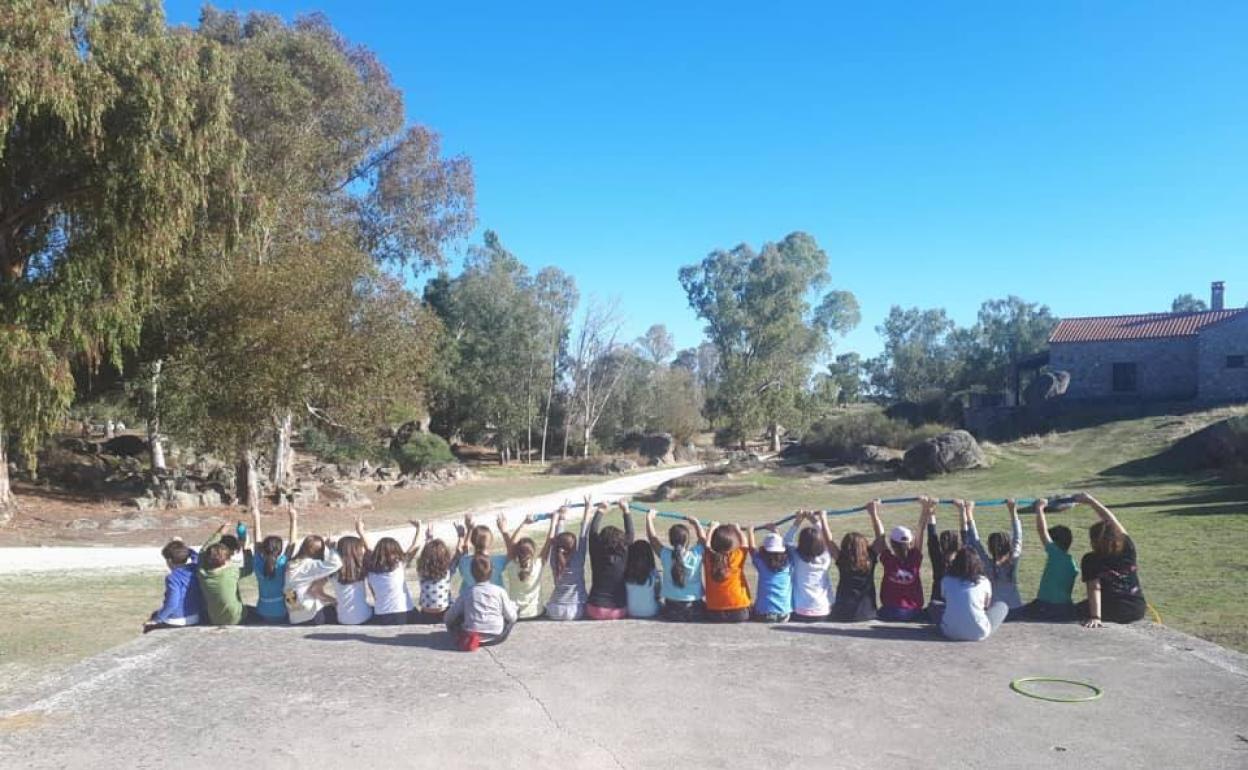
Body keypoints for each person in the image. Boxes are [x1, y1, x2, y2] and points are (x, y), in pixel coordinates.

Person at [1074, 493, 1147, 627]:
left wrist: (1095, 617)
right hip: (1137, 609)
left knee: (1070, 610)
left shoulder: (1090, 559)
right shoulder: (1128, 549)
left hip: (1112, 609)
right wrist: (1092, 501)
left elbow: (1094, 588)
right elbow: (1112, 520)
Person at [870, 497, 931, 622]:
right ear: (911, 543)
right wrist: (925, 508)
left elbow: (880, 537)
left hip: (890, 611)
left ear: (892, 544)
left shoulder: (888, 560)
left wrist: (873, 513)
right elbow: (920, 531)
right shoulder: (915, 559)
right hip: (914, 612)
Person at [1019, 498, 1078, 622]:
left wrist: (1039, 508)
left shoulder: (1055, 554)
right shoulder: (1072, 562)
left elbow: (1042, 531)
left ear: (1055, 543)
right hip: (1066, 608)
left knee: (1012, 614)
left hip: (1046, 607)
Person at [962, 499, 1024, 614]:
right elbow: (1018, 537)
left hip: (995, 611)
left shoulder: (987, 564)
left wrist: (969, 512)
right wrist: (1013, 511)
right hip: (1017, 609)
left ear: (990, 548)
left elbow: (975, 542)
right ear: (1008, 546)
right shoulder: (1013, 560)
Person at [283, 509, 343, 626]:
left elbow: (291, 543)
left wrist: (293, 519)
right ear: (316, 552)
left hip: (294, 616)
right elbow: (336, 564)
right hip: (311, 616)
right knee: (340, 611)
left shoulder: (291, 563)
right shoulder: (309, 566)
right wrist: (331, 548)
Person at [445, 555, 518, 652]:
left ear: (471, 573)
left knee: (459, 615)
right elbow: (512, 617)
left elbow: (449, 617)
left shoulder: (467, 592)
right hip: (496, 636)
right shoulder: (500, 591)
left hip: (471, 634)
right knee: (512, 610)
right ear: (492, 572)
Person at [644, 508, 706, 622]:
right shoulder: (696, 555)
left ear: (671, 540)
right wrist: (696, 523)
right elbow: (703, 539)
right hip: (695, 609)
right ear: (687, 540)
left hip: (671, 610)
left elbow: (652, 538)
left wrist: (649, 518)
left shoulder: (665, 555)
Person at [357, 517, 420, 625]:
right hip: (404, 612)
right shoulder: (399, 565)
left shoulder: (370, 570)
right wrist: (419, 528)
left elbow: (369, 550)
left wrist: (360, 532)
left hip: (381, 615)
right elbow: (415, 546)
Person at [938, 546, 1009, 641]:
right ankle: (974, 621)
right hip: (979, 632)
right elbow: (986, 605)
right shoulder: (983, 581)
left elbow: (945, 599)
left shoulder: (947, 580)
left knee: (934, 605)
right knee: (1002, 606)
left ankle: (954, 622)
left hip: (949, 632)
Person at [197, 520, 254, 626]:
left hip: (214, 618)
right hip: (237, 618)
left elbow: (203, 551)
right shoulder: (231, 572)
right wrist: (246, 547)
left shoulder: (201, 572)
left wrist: (221, 531)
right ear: (226, 561)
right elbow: (249, 568)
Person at [545, 498, 593, 621]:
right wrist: (588, 509)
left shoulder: (554, 558)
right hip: (576, 610)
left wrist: (561, 517)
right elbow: (584, 535)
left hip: (555, 610)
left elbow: (557, 539)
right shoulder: (579, 558)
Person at [585, 500, 634, 620]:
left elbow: (592, 532)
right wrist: (626, 511)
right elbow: (630, 534)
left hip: (594, 609)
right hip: (618, 611)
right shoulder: (624, 552)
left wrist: (600, 510)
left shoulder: (596, 551)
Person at [500, 513, 554, 620]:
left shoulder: (511, 566)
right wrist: (554, 520)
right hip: (536, 613)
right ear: (533, 552)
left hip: (516, 614)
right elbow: (550, 540)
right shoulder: (538, 565)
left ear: (516, 552)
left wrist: (524, 524)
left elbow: (512, 545)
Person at [247, 505, 295, 625]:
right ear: (279, 551)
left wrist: (256, 519)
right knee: (291, 590)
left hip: (262, 611)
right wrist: (293, 519)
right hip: (283, 611)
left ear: (263, 550)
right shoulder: (282, 563)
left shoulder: (257, 563)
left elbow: (257, 542)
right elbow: (292, 543)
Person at [829, 510, 878, 623]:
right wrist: (873, 513)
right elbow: (881, 538)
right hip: (867, 613)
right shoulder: (870, 558)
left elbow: (829, 541)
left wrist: (822, 520)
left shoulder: (842, 559)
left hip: (842, 613)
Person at [144, 538, 202, 633]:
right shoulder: (195, 568)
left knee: (151, 622)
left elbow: (172, 602)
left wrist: (157, 620)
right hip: (195, 616)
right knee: (155, 614)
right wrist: (185, 548)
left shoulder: (173, 577)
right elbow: (196, 556)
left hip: (177, 620)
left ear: (169, 561)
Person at [413, 524, 466, 624]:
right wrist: (461, 536)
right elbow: (459, 552)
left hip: (425, 614)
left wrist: (429, 537)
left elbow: (427, 554)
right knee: (453, 601)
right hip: (444, 613)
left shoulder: (422, 571)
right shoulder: (447, 571)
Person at [786, 510, 833, 622]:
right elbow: (828, 540)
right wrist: (817, 520)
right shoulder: (826, 557)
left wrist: (798, 521)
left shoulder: (795, 556)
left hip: (800, 612)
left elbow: (786, 541)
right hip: (823, 611)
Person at [701, 521, 751, 623]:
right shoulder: (737, 557)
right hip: (739, 612)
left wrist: (712, 528)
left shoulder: (708, 558)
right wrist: (737, 529)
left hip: (714, 613)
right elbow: (745, 543)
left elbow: (706, 545)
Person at [746, 524, 792, 623]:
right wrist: (776, 532)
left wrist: (750, 532)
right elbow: (781, 545)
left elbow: (752, 549)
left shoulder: (761, 564)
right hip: (784, 614)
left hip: (763, 615)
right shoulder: (788, 564)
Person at [623, 510, 661, 618]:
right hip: (651, 611)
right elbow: (658, 594)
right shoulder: (654, 574)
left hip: (630, 611)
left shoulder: (626, 573)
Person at [457, 514, 509, 590]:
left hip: (470, 600)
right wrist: (503, 531)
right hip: (494, 600)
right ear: (491, 542)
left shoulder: (463, 562)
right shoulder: (498, 562)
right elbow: (512, 553)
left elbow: (464, 551)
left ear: (472, 542)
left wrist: (469, 530)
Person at [331, 534, 373, 626]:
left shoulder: (334, 571)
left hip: (342, 619)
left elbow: (331, 561)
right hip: (364, 617)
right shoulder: (361, 568)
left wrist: (331, 549)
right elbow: (370, 553)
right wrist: (361, 532)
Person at [925, 505, 960, 612]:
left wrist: (931, 512)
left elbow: (932, 538)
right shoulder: (964, 560)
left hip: (937, 606)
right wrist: (963, 511)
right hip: (956, 608)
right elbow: (968, 537)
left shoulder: (938, 560)